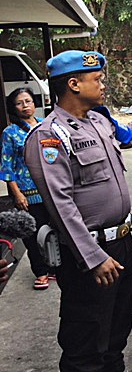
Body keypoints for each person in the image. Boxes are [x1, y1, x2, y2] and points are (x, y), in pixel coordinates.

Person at [24, 50, 132, 372]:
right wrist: (93, 257)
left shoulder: (98, 120)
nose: (104, 85)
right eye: (97, 79)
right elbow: (60, 204)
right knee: (86, 342)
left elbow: (131, 134)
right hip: (90, 254)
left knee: (116, 333)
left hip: (120, 244)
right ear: (73, 84)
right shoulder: (49, 136)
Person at [1, 88, 53, 290]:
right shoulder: (10, 133)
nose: (25, 106)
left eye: (28, 101)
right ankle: (40, 272)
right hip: (27, 193)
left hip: (49, 190)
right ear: (13, 108)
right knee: (31, 234)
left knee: (53, 230)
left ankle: (54, 268)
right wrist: (17, 194)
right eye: (20, 103)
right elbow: (7, 167)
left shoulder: (45, 125)